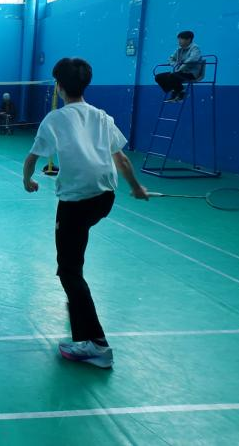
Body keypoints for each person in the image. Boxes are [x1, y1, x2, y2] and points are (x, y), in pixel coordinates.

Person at [23, 58, 149, 369]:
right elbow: (122, 159)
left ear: (59, 86)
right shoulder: (102, 116)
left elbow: (31, 158)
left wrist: (28, 180)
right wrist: (136, 187)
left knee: (69, 271)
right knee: (76, 252)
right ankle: (76, 301)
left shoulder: (55, 119)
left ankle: (96, 345)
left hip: (76, 202)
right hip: (104, 199)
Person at [155, 30, 203, 102]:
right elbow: (171, 59)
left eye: (181, 39)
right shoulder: (179, 49)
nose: (179, 41)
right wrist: (175, 65)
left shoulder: (195, 48)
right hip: (179, 73)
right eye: (179, 39)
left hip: (191, 74)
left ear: (188, 39)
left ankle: (181, 93)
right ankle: (176, 91)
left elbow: (193, 59)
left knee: (172, 76)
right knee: (158, 77)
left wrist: (181, 67)